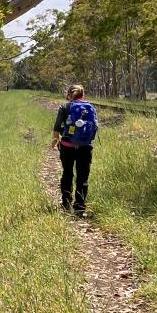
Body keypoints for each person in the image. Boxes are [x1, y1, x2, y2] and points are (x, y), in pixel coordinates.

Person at [51, 84, 98, 215]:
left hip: (67, 146)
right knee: (83, 177)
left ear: (69, 94)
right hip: (86, 147)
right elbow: (95, 127)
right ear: (83, 95)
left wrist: (55, 140)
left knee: (67, 174)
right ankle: (80, 207)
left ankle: (66, 203)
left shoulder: (65, 107)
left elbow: (56, 127)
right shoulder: (90, 107)